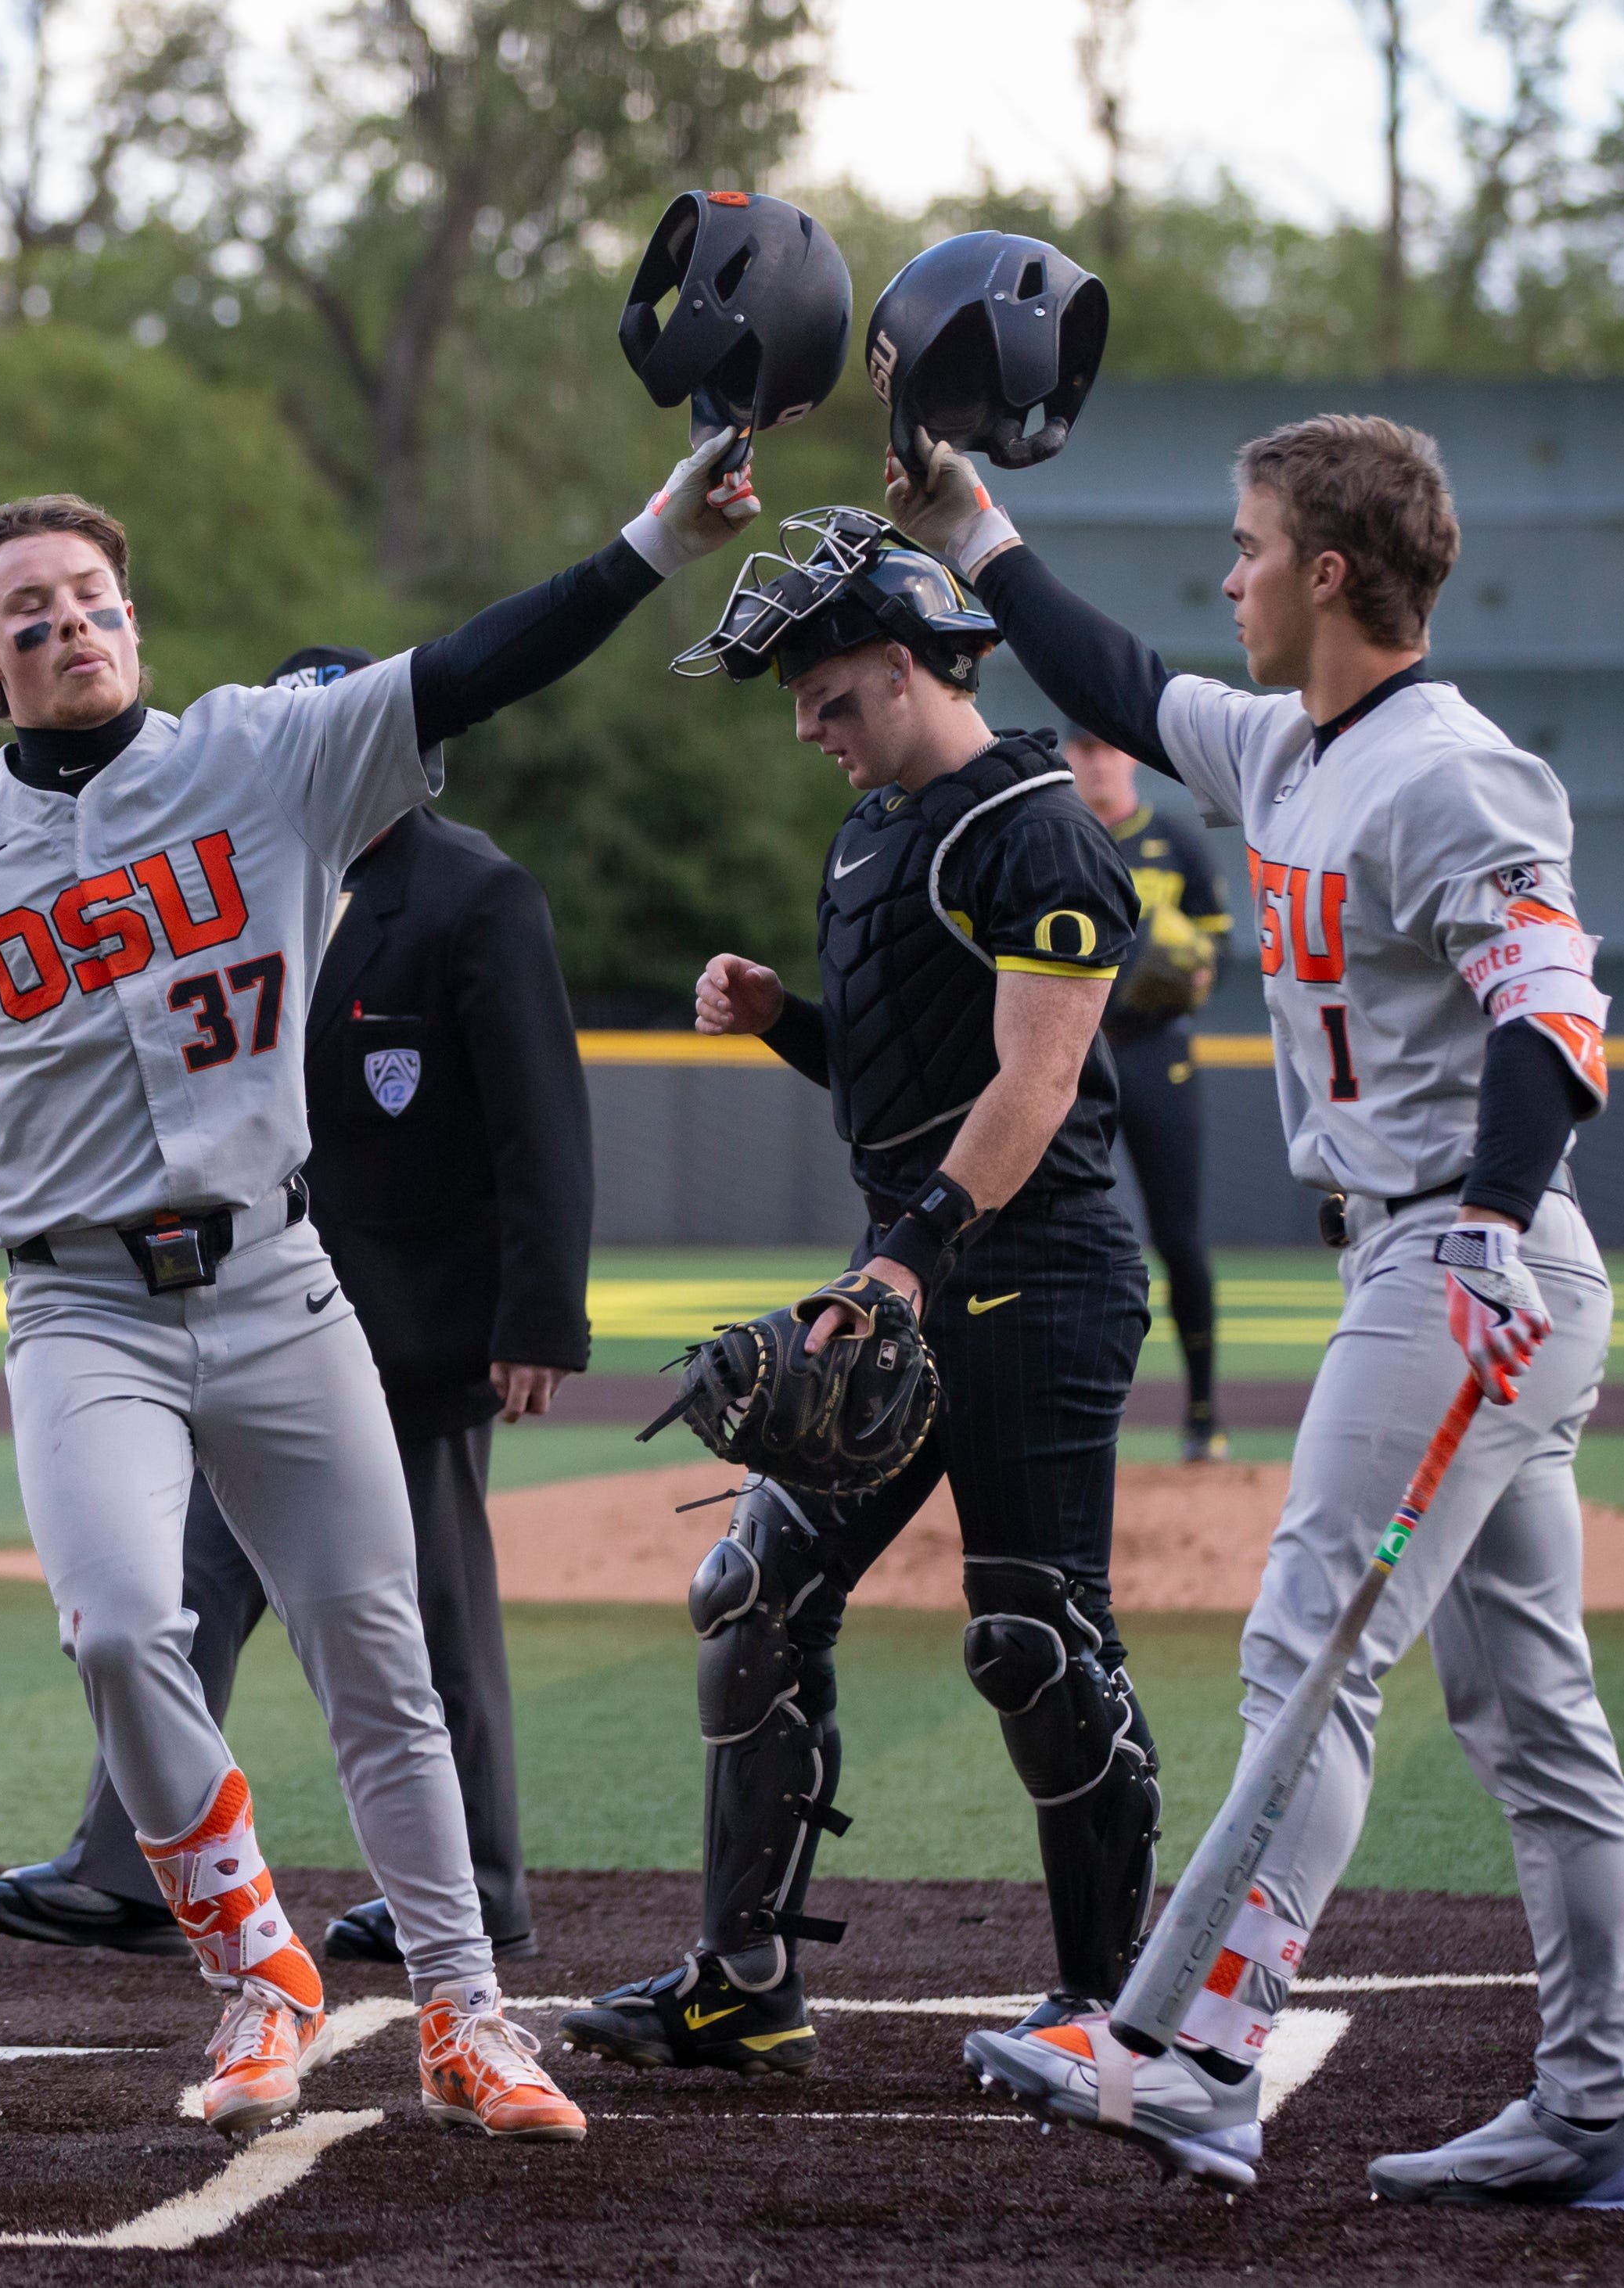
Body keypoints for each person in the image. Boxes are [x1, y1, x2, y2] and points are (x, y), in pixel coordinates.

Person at [0, 436, 761, 2146]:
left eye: (91, 594)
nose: (68, 619)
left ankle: (468, 2009)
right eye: (27, 607)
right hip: (80, 1305)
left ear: (133, 620)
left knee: (376, 1655)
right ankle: (261, 1967)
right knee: (118, 1625)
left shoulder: (265, 751)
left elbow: (488, 654)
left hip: (273, 1275)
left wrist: (656, 539)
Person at [895, 417, 1624, 2208]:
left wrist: (1478, 1221)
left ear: (1325, 570)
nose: (1221, 575)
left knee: (1308, 1640)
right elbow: (1105, 670)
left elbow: (1551, 1013)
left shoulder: (1449, 774)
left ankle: (1197, 2052)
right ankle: (1591, 2107)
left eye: (1245, 546)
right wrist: (971, 526)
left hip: (1457, 1264)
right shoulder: (1285, 743)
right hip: (1437, 1258)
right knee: (1527, 1713)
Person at [559, 508, 1164, 2078]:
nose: (812, 729)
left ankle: (1110, 2005)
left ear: (905, 667)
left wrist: (903, 1256)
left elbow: (1034, 1089)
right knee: (748, 1594)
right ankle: (740, 1983)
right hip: (916, 1268)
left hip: (1034, 1276)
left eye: (830, 698)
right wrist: (782, 1018)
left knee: (1032, 1636)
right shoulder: (879, 825)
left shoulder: (1036, 821)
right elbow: (909, 1077)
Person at [0, 643, 596, 1969]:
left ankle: (478, 1888)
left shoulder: (476, 895)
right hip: (247, 1307)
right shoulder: (227, 886)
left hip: (414, 1324)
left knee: (431, 1610)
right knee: (184, 1583)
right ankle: (133, 1866)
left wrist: (537, 1319)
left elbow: (541, 1129)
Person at [1063, 723, 1235, 1460]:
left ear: (1126, 756)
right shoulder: (1058, 836)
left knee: (1179, 1238)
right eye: (1084, 749)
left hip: (1158, 1053)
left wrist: (1196, 971)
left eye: (1107, 748)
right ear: (1070, 757)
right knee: (1066, 1242)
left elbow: (1219, 946)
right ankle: (1065, 1415)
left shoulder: (1174, 838)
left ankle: (1202, 1412)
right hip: (1073, 1059)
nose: (1097, 761)